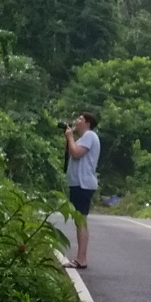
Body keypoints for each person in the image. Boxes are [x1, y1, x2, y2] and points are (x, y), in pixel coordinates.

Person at [61, 112, 100, 268]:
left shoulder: (90, 136)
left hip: (83, 184)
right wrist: (69, 139)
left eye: (80, 119)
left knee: (81, 220)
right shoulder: (83, 138)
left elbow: (76, 154)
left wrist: (70, 137)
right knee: (79, 221)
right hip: (78, 183)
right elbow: (71, 152)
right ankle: (80, 258)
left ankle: (81, 259)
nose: (76, 121)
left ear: (88, 123)